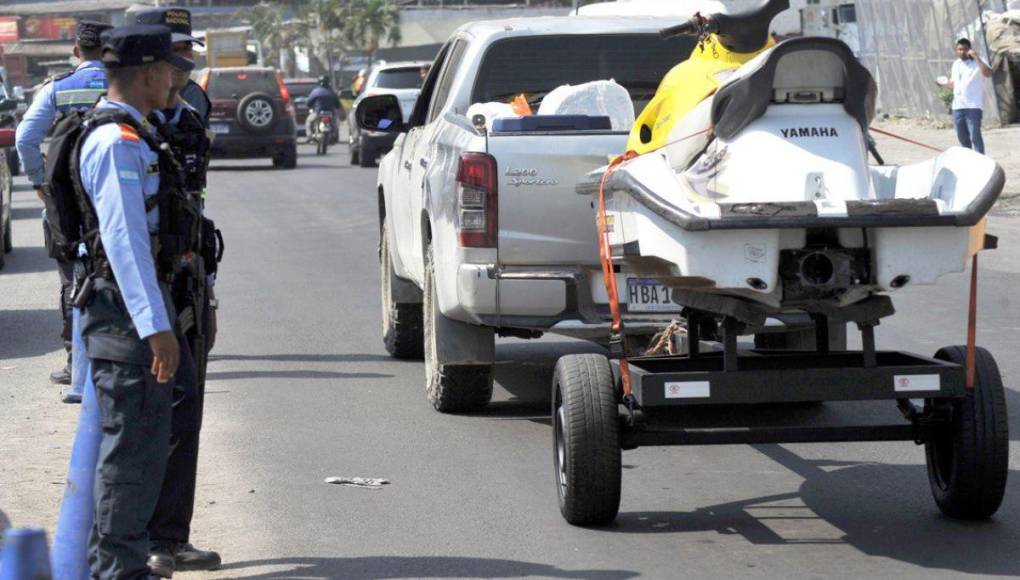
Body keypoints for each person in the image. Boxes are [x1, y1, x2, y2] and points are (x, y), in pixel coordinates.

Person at [76, 24, 200, 579]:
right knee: (130, 458)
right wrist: (156, 328)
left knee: (145, 450)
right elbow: (126, 243)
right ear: (149, 72)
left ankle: (123, 564)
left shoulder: (138, 131)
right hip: (127, 320)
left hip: (137, 316)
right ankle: (116, 571)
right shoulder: (115, 141)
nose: (176, 81)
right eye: (169, 70)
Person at [132, 7, 222, 576]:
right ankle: (134, 542)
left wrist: (205, 286)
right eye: (172, 54)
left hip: (187, 282)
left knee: (186, 413)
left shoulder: (192, 113)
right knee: (140, 420)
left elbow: (196, 203)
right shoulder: (122, 123)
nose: (183, 65)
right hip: (140, 294)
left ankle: (170, 535)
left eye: (186, 53)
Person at [15, 21, 112, 390]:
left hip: (67, 203)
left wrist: (42, 181)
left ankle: (77, 363)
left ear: (76, 51)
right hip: (115, 194)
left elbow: (25, 137)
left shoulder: (57, 88)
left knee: (73, 280)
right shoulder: (126, 85)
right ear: (110, 51)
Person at [945, 38, 993, 154]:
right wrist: (944, 84)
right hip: (958, 107)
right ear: (956, 50)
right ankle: (968, 163)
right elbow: (954, 85)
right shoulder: (956, 64)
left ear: (970, 49)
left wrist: (977, 58)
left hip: (973, 106)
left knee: (975, 137)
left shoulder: (979, 61)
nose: (962, 52)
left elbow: (988, 74)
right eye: (960, 49)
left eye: (965, 49)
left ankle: (981, 162)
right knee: (963, 138)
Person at [305, 75, 342, 140]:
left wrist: (310, 106)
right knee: (336, 122)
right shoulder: (332, 92)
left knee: (308, 121)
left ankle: (310, 136)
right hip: (330, 113)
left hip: (318, 112)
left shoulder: (315, 91)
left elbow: (308, 103)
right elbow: (338, 104)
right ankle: (334, 135)